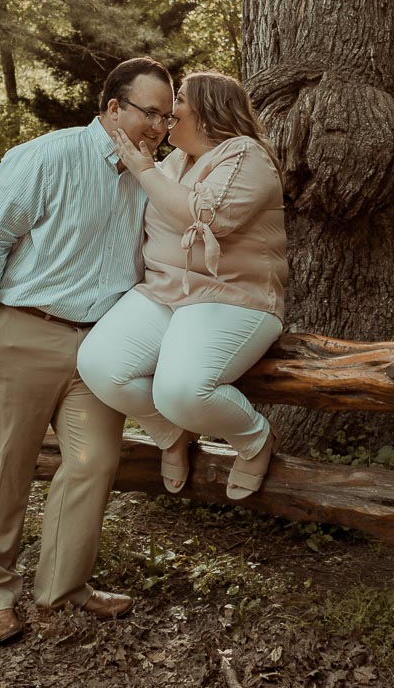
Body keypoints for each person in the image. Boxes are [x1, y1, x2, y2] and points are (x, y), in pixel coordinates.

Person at [0, 57, 175, 645]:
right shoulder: (44, 156)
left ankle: (63, 586)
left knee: (94, 463)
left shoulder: (156, 176)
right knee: (3, 468)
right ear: (111, 108)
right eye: (148, 112)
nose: (158, 126)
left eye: (167, 116)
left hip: (100, 348)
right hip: (23, 331)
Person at [77, 71, 288, 502]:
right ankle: (172, 436)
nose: (170, 112)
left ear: (210, 111)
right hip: (163, 293)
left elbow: (205, 216)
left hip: (231, 298)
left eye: (182, 102)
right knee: (99, 365)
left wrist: (142, 169)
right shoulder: (174, 163)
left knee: (180, 391)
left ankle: (253, 438)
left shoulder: (245, 156)